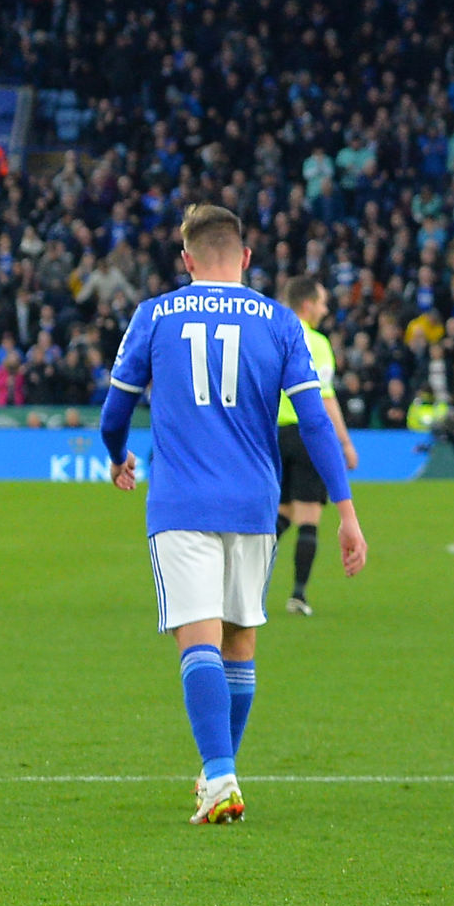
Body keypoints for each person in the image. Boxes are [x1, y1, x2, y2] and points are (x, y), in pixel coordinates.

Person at [101, 203, 365, 826]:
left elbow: (115, 413)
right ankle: (218, 774)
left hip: (182, 502)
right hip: (253, 503)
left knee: (198, 638)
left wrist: (118, 456)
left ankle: (220, 775)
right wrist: (347, 511)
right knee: (240, 639)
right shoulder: (281, 322)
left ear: (186, 260)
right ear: (245, 257)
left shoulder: (154, 315)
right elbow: (317, 424)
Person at [269, 274, 360, 616]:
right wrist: (345, 443)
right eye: (322, 303)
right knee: (308, 516)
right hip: (307, 434)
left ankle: (241, 581)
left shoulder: (271, 334)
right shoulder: (316, 342)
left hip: (274, 435)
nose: (325, 309)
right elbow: (325, 397)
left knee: (281, 513)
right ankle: (298, 595)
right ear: (307, 305)